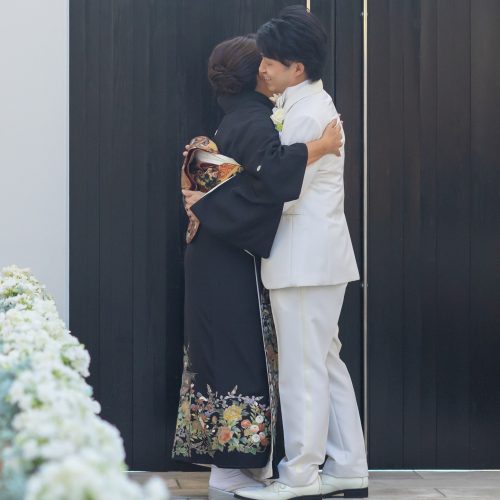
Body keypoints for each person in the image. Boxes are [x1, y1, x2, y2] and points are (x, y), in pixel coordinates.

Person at [171, 34, 343, 500]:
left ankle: (230, 470)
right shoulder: (254, 120)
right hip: (229, 257)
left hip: (217, 251)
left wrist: (206, 194)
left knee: (220, 355)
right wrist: (322, 146)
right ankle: (229, 473)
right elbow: (273, 175)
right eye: (263, 63)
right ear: (255, 76)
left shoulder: (238, 117)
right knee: (238, 356)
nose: (270, 69)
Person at [234, 7, 369, 500]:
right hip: (316, 258)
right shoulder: (307, 105)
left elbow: (282, 187)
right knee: (325, 363)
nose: (262, 68)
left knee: (302, 370)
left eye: (270, 61)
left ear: (297, 67)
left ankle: (301, 476)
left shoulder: (308, 113)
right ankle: (348, 465)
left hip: (304, 261)